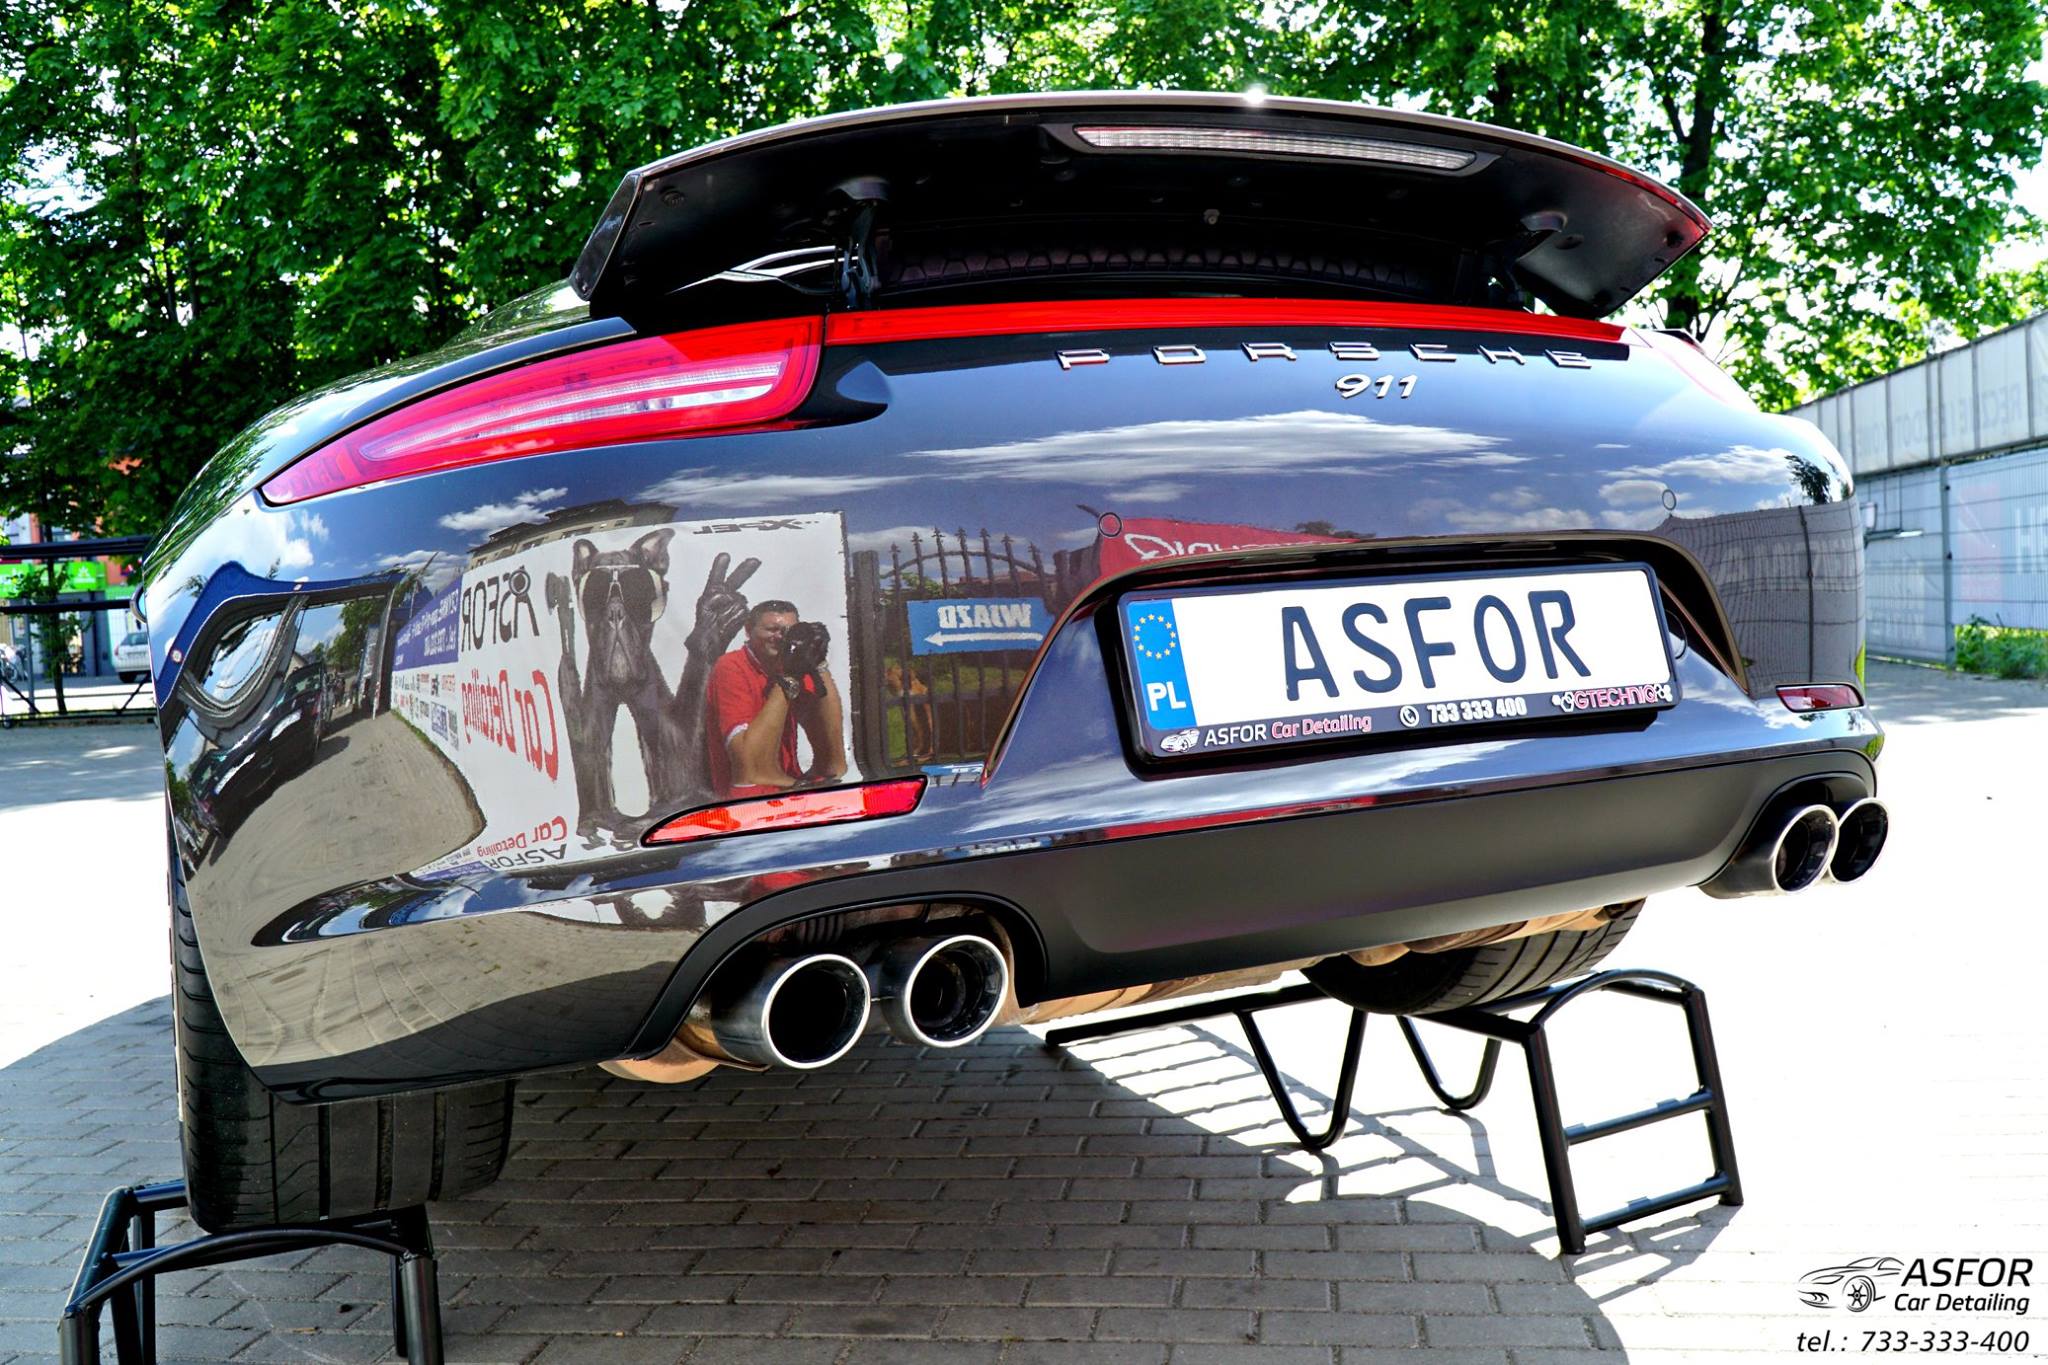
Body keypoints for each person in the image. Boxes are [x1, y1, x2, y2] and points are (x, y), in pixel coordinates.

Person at [704, 599, 846, 797]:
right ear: (748, 630)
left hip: (788, 789)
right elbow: (749, 768)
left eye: (788, 632)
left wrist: (818, 664)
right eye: (772, 630)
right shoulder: (731, 667)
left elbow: (834, 762)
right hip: (745, 798)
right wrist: (788, 678)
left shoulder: (792, 664)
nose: (780, 638)